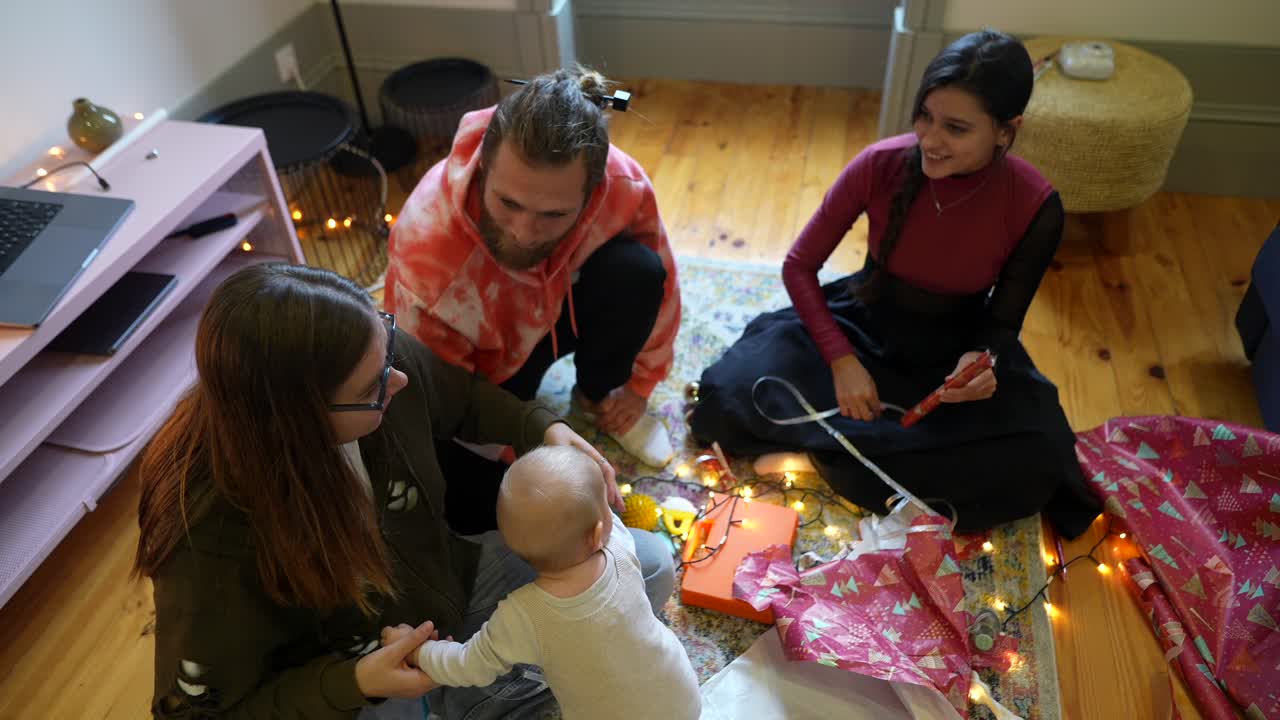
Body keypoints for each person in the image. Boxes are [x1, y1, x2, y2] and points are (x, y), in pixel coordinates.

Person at [132, 263, 676, 719]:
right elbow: (202, 715)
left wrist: (542, 427)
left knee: (647, 563)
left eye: (388, 346)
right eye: (373, 389)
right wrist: (355, 683)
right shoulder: (207, 541)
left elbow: (460, 396)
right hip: (356, 676)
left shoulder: (369, 357)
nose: (400, 382)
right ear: (298, 422)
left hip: (446, 589)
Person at [687, 31, 1100, 538]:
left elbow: (1002, 322)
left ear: (1005, 131)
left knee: (1039, 461)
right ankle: (853, 456)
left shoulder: (1037, 207)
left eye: (955, 127)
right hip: (864, 322)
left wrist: (983, 362)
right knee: (728, 394)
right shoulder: (880, 164)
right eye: (925, 116)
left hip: (950, 353)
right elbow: (799, 265)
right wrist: (842, 361)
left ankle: (824, 457)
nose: (929, 139)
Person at [385, 66, 682, 533]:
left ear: (593, 192)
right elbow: (441, 393)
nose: (524, 233)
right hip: (474, 369)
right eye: (508, 203)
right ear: (483, 168)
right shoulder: (429, 249)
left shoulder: (624, 185)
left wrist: (641, 386)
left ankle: (597, 394)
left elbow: (662, 289)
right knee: (476, 514)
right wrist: (525, 440)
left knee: (638, 271)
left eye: (554, 214)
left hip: (556, 309)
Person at [384, 445, 700, 720]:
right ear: (595, 533)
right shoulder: (619, 546)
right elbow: (607, 522)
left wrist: (418, 651)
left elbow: (468, 664)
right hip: (682, 696)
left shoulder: (522, 614)